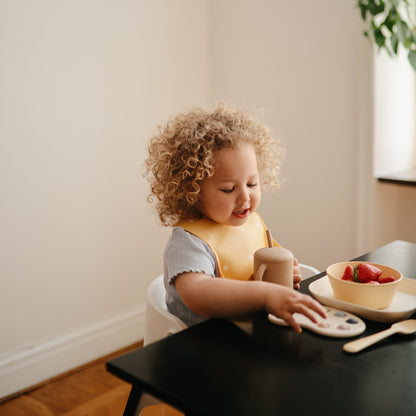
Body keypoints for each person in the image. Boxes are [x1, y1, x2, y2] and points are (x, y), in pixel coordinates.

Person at [144, 103, 326, 332]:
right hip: (204, 346)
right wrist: (266, 294)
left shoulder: (250, 223)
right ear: (192, 190)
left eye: (252, 184)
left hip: (250, 333)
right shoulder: (188, 241)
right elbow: (198, 294)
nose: (244, 198)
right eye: (229, 189)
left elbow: (257, 272)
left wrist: (286, 276)